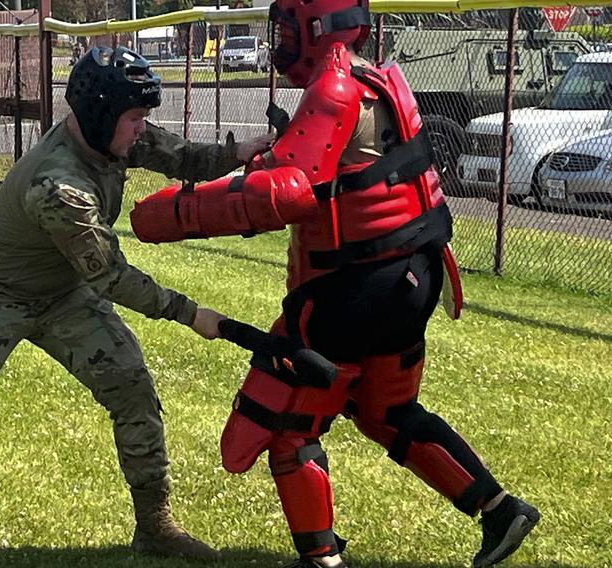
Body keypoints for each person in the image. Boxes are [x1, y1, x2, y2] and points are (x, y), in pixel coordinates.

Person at [129, 2, 540, 567]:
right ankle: (499, 509)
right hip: (414, 277)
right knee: (385, 412)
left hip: (354, 292)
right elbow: (349, 174)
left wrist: (167, 216)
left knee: (282, 427)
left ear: (316, 27)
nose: (279, 38)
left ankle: (320, 558)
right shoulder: (382, 79)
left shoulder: (336, 88)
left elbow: (287, 192)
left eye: (287, 25)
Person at [0, 45, 274, 568]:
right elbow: (110, 275)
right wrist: (191, 313)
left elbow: (179, 156)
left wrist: (244, 149)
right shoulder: (58, 185)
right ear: (103, 115)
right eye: (135, 118)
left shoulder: (110, 137)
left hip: (62, 292)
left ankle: (155, 527)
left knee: (132, 388)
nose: (141, 129)